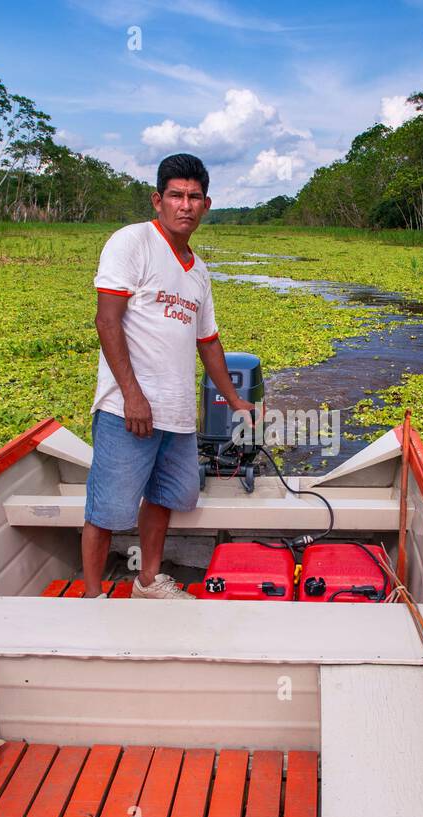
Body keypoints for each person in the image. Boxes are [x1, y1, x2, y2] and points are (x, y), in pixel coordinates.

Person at [81, 153, 254, 599]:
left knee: (165, 498)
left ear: (207, 205)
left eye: (194, 197)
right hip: (127, 409)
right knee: (107, 509)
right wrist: (133, 396)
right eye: (176, 195)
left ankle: (147, 581)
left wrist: (235, 401)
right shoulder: (132, 242)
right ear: (158, 200)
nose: (185, 205)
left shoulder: (198, 272)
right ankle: (92, 596)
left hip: (176, 416)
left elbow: (209, 342)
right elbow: (107, 321)